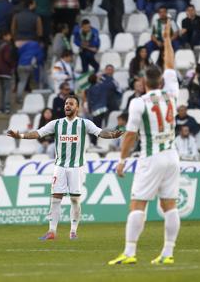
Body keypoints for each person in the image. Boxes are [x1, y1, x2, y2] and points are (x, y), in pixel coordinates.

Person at [109, 19, 180, 266]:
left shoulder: (138, 102)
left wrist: (122, 160)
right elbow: (170, 62)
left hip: (150, 158)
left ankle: (129, 253)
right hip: (172, 156)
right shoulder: (172, 93)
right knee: (169, 204)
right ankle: (168, 252)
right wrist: (168, 39)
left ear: (143, 82)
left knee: (138, 203)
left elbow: (130, 135)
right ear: (160, 80)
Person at [8, 96, 123, 240]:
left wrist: (112, 135)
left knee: (75, 200)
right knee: (55, 199)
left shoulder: (84, 123)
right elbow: (38, 133)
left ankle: (73, 231)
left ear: (77, 107)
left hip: (76, 167)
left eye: (71, 104)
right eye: (66, 104)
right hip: (60, 167)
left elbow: (100, 132)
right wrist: (21, 135)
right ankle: (51, 231)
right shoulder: (56, 124)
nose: (67, 106)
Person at [0, 31, 16, 114]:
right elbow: (7, 58)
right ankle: (7, 107)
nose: (10, 37)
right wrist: (12, 65)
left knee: (1, 90)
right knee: (7, 89)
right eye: (9, 35)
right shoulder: (6, 46)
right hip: (6, 70)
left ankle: (0, 108)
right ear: (5, 36)